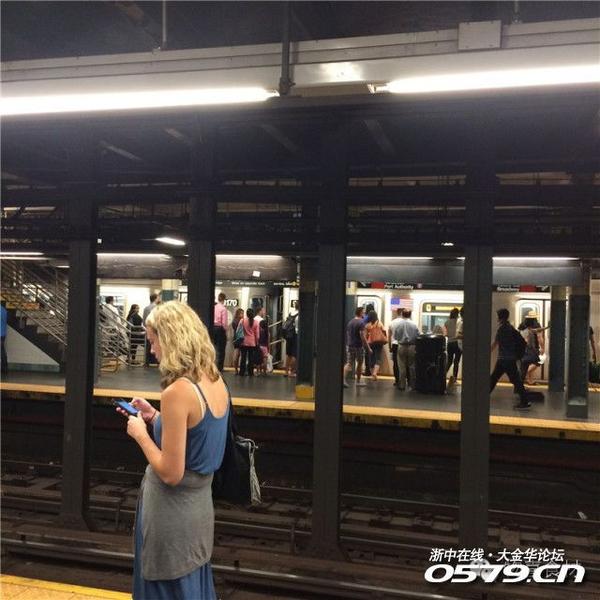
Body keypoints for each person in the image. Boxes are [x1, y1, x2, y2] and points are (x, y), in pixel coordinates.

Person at [117, 301, 228, 600]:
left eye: (154, 341)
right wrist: (154, 417)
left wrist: (141, 434)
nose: (152, 350)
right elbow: (196, 435)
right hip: (199, 514)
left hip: (170, 518)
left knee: (166, 590)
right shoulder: (214, 380)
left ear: (171, 338)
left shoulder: (177, 391)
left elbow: (171, 473)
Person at [490, 308, 530, 409]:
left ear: (500, 317)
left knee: (510, 380)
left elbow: (495, 343)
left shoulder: (502, 329)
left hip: (504, 359)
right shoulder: (510, 328)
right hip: (509, 358)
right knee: (498, 378)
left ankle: (525, 402)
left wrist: (486, 352)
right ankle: (525, 401)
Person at [343, 306, 372, 387]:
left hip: (350, 345)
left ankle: (342, 380)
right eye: (363, 312)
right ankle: (358, 382)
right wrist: (368, 348)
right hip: (358, 346)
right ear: (360, 313)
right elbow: (362, 336)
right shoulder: (361, 323)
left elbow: (348, 334)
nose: (364, 313)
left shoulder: (350, 322)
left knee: (349, 363)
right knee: (359, 363)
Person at [393, 309, 420, 391]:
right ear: (410, 314)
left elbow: (395, 337)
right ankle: (412, 385)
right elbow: (418, 335)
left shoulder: (398, 324)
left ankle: (402, 385)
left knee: (402, 366)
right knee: (412, 366)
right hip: (412, 346)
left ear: (402, 314)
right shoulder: (414, 324)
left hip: (401, 346)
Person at [521, 313, 545, 385]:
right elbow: (539, 337)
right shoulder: (536, 325)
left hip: (523, 349)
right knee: (541, 360)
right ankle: (527, 373)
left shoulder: (522, 325)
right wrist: (542, 348)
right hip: (533, 349)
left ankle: (529, 380)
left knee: (525, 365)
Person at [365, 310, 387, 380]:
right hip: (379, 343)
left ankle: (372, 375)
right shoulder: (379, 323)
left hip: (371, 343)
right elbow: (384, 331)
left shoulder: (368, 325)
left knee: (371, 358)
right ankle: (375, 373)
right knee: (378, 358)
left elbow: (366, 335)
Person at [239, 308, 261, 377]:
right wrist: (257, 342)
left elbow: (239, 330)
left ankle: (242, 372)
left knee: (243, 357)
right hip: (252, 342)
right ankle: (250, 372)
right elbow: (257, 335)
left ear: (246, 314)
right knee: (251, 358)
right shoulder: (256, 322)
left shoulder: (242, 320)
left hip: (243, 342)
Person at [444, 307, 462, 387]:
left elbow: (446, 334)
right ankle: (454, 379)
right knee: (456, 361)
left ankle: (443, 375)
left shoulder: (447, 322)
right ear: (457, 314)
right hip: (457, 343)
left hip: (449, 343)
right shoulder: (458, 321)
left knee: (449, 361)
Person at [143, 293, 161, 366]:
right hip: (155, 329)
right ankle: (157, 361)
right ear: (155, 298)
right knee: (156, 345)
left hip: (148, 329)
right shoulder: (157, 308)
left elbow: (144, 320)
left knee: (148, 346)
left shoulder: (146, 308)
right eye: (158, 297)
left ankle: (147, 362)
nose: (159, 299)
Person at [212, 293, 228, 372]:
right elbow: (224, 323)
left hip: (213, 329)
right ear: (224, 299)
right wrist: (225, 332)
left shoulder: (214, 307)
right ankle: (220, 367)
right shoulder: (223, 309)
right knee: (221, 349)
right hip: (220, 330)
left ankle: (213, 365)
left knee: (213, 348)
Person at [388, 308, 402, 387]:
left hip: (394, 345)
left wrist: (390, 347)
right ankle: (404, 380)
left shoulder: (392, 323)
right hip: (403, 344)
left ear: (397, 313)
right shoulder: (405, 323)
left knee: (396, 363)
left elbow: (389, 336)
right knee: (404, 363)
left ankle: (397, 380)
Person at [283, 304, 298, 377]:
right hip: (295, 335)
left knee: (288, 354)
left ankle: (286, 372)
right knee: (294, 355)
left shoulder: (290, 314)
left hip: (288, 336)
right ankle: (292, 372)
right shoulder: (298, 315)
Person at [256, 307, 270, 375]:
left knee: (258, 359)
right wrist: (268, 346)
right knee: (265, 358)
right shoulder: (266, 332)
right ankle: (264, 371)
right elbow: (268, 339)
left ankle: (258, 371)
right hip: (265, 346)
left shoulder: (258, 331)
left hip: (259, 345)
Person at [231, 308, 244, 375]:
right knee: (242, 355)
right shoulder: (242, 321)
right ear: (239, 314)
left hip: (236, 339)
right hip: (242, 339)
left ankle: (236, 370)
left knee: (236, 354)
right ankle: (242, 370)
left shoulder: (234, 321)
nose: (243, 315)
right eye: (242, 313)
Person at [1, 301, 8, 375]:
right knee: (2, 350)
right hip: (3, 334)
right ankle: (4, 368)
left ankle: (4, 368)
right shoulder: (4, 310)